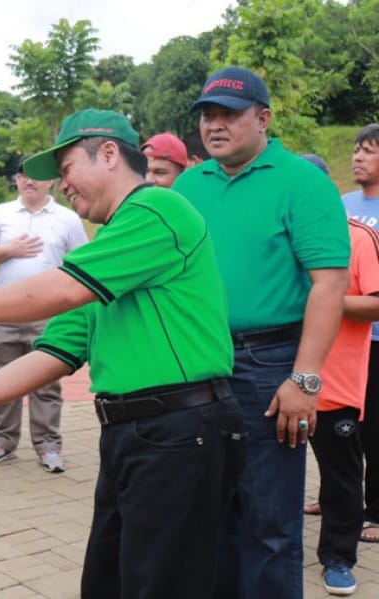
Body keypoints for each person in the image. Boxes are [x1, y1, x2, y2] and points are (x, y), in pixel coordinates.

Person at [0, 109, 246, 599]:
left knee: (162, 583)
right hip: (134, 434)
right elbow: (53, 351)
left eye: (68, 167)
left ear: (111, 154)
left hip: (182, 431)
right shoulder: (107, 250)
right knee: (109, 581)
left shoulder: (159, 209)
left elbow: (60, 290)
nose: (62, 183)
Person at [172, 66, 351, 599]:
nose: (215, 125)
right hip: (200, 362)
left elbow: (330, 284)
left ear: (263, 118)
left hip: (270, 366)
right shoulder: (188, 185)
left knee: (269, 520)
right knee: (212, 514)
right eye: (208, 115)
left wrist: (306, 379)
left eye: (230, 114)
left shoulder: (302, 182)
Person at [298, 153, 379, 596]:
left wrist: (327, 300)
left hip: (336, 383)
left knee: (341, 475)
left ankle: (338, 557)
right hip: (276, 377)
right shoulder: (277, 239)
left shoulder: (358, 238)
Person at [0, 154, 87, 472]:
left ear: (51, 180)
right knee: (2, 379)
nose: (28, 181)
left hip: (48, 315)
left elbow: (80, 263)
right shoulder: (1, 213)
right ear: (16, 180)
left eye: (35, 176)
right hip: (4, 311)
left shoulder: (67, 218)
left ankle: (48, 446)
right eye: (22, 175)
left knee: (46, 383)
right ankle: (2, 441)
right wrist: (9, 250)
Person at [340, 124, 379, 543]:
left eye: (368, 151)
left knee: (375, 428)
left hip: (376, 335)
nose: (357, 157)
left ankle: (377, 510)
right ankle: (335, 497)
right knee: (339, 425)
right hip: (344, 342)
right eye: (355, 150)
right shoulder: (342, 204)